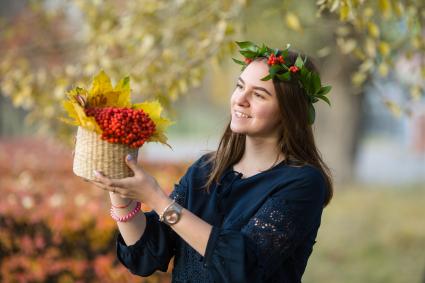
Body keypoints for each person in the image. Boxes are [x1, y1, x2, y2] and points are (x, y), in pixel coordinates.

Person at [90, 41, 334, 283]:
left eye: (259, 95)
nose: (241, 99)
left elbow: (242, 267)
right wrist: (117, 180)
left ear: (290, 111)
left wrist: (156, 198)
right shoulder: (207, 169)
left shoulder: (303, 183)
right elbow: (146, 257)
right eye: (240, 87)